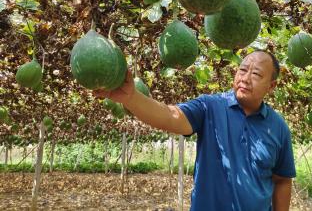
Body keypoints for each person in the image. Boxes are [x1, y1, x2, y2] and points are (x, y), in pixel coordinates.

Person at [95, 51, 296, 211]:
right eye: (242, 70)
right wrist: (131, 98)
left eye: (256, 74)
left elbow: (282, 181)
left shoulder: (278, 127)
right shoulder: (210, 107)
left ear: (271, 86)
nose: (245, 78)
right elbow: (170, 116)